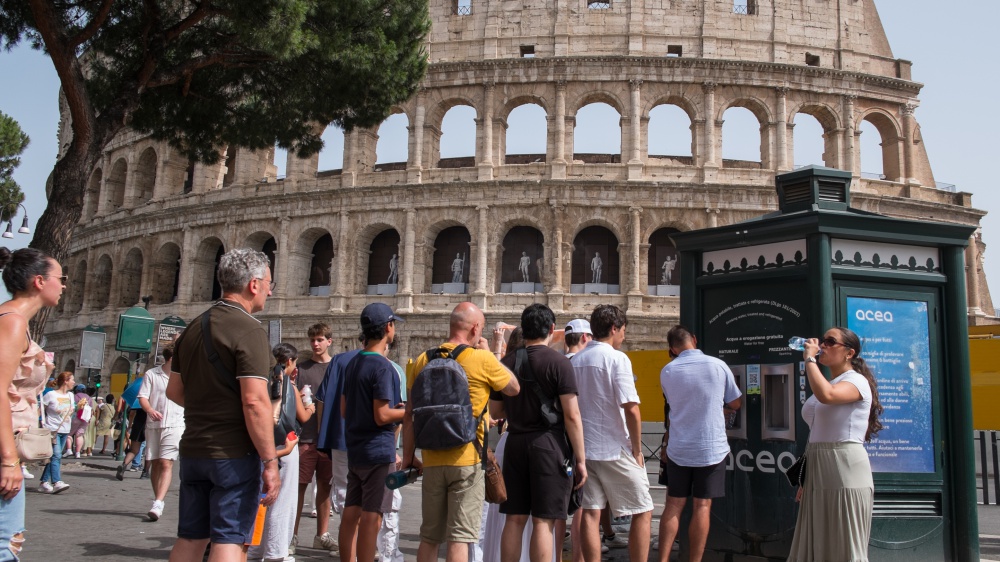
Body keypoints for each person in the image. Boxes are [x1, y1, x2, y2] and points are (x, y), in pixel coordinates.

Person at [166, 248, 280, 562]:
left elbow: (174, 391)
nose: (271, 290)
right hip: (233, 453)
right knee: (230, 541)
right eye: (269, 283)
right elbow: (255, 402)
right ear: (254, 285)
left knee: (190, 538)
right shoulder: (250, 330)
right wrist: (270, 463)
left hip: (193, 449)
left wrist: (210, 404)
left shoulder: (192, 329)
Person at [403, 302, 520, 562]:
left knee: (429, 538)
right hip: (467, 459)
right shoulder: (481, 358)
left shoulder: (424, 359)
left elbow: (409, 415)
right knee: (460, 538)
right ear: (476, 327)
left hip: (432, 458)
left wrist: (409, 456)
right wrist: (493, 352)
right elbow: (513, 387)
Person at [491, 304, 587, 562]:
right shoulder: (559, 363)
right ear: (551, 329)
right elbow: (572, 415)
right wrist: (580, 459)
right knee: (543, 522)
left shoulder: (506, 362)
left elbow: (496, 410)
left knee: (514, 518)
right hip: (548, 444)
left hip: (515, 443)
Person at [786, 327, 883, 562]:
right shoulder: (834, 380)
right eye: (823, 341)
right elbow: (818, 429)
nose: (823, 345)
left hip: (844, 467)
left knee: (843, 546)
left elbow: (827, 395)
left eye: (830, 342)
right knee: (815, 544)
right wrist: (807, 476)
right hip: (820, 467)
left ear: (849, 353)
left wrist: (809, 358)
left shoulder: (856, 381)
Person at [570, 304, 653, 562]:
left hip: (585, 448)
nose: (624, 336)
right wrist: (637, 451)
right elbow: (632, 408)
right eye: (623, 331)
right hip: (614, 447)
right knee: (643, 508)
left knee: (591, 511)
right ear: (614, 328)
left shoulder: (576, 360)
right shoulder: (617, 358)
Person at [657, 326, 742, 562]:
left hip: (679, 448)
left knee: (673, 505)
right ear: (694, 340)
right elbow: (735, 403)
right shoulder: (718, 365)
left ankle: (662, 559)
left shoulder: (667, 371)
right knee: (702, 506)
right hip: (710, 448)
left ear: (672, 349)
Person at [0, 247, 61, 557]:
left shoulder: (10, 318)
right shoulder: (11, 322)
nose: (63, 286)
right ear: (39, 281)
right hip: (3, 450)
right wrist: (9, 460)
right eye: (60, 279)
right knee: (6, 544)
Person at [339, 303, 405, 562]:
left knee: (351, 511)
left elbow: (345, 409)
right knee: (372, 515)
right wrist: (408, 412)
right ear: (388, 327)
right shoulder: (383, 367)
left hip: (355, 448)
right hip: (378, 451)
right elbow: (383, 415)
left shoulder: (353, 362)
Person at [248, 342, 314, 562]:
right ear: (289, 362)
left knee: (261, 497)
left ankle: (256, 546)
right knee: (282, 499)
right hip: (284, 445)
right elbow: (303, 417)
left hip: (260, 444)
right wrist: (310, 405)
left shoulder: (260, 381)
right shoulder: (288, 385)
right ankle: (277, 551)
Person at [293, 323, 339, 555]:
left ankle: (322, 535)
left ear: (329, 341)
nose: (315, 344)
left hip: (329, 439)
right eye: (312, 340)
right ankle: (292, 534)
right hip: (305, 438)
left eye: (320, 339)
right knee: (299, 487)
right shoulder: (301, 369)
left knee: (325, 486)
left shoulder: (337, 369)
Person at [138, 347, 185, 521]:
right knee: (155, 463)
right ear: (172, 359)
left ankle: (158, 502)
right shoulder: (152, 374)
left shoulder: (184, 376)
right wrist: (149, 409)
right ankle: (158, 496)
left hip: (175, 424)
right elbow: (143, 396)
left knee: (166, 463)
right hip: (154, 425)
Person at [40, 371, 76, 494]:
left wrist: (79, 408)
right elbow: (40, 410)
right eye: (72, 379)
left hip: (65, 429)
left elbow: (70, 411)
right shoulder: (51, 394)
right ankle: (57, 482)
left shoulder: (71, 395)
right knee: (56, 456)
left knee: (54, 457)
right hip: (52, 430)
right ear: (66, 381)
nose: (74, 382)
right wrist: (41, 424)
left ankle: (44, 482)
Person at [69, 383, 94, 457]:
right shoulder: (89, 398)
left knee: (69, 434)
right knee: (79, 435)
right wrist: (89, 419)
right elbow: (91, 410)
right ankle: (78, 453)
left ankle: (68, 449)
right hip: (85, 419)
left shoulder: (74, 396)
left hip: (75, 417)